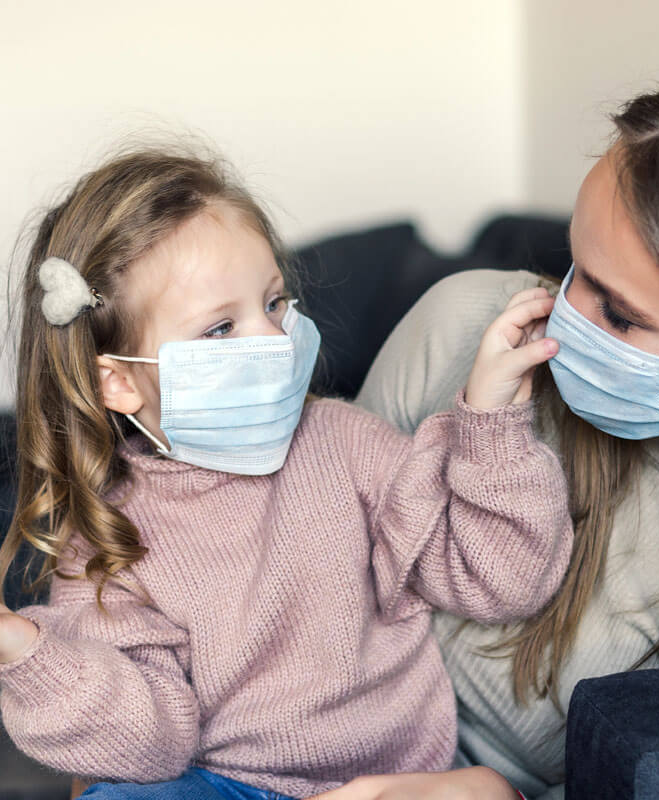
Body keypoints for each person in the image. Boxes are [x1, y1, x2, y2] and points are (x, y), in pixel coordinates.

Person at [0, 148, 574, 799]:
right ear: (119, 382)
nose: (273, 339)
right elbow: (151, 744)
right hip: (223, 784)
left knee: (479, 795)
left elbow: (503, 583)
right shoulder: (109, 536)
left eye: (274, 303)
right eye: (221, 329)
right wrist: (20, 647)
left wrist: (492, 424)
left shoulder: (348, 442)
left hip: (391, 780)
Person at [313, 70, 659, 799]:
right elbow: (305, 564)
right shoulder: (463, 318)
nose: (564, 322)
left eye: (622, 316)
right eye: (575, 266)